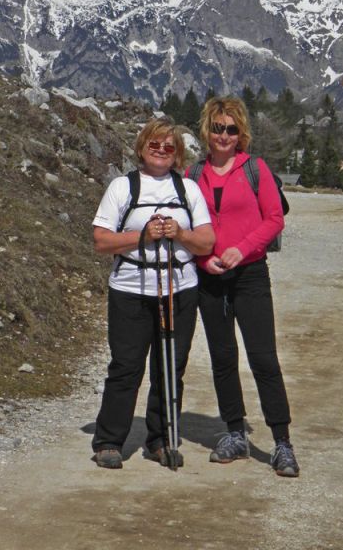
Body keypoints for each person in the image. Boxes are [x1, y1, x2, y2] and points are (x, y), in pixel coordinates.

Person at [91, 117, 215, 469]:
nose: (161, 150)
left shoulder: (187, 190)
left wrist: (179, 234)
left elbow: (206, 242)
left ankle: (160, 439)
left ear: (177, 154)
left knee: (170, 366)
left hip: (180, 289)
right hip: (131, 289)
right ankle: (109, 441)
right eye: (154, 144)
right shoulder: (122, 188)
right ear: (142, 147)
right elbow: (101, 241)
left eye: (169, 146)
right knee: (126, 366)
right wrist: (143, 237)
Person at [187, 96, 300, 477]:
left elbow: (274, 220)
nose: (224, 135)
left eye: (231, 129)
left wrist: (242, 249)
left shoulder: (256, 169)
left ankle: (282, 441)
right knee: (222, 358)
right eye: (217, 127)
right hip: (210, 278)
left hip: (250, 275)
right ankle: (234, 432)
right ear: (207, 129)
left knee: (263, 359)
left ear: (241, 133)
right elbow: (188, 230)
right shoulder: (192, 175)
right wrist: (205, 260)